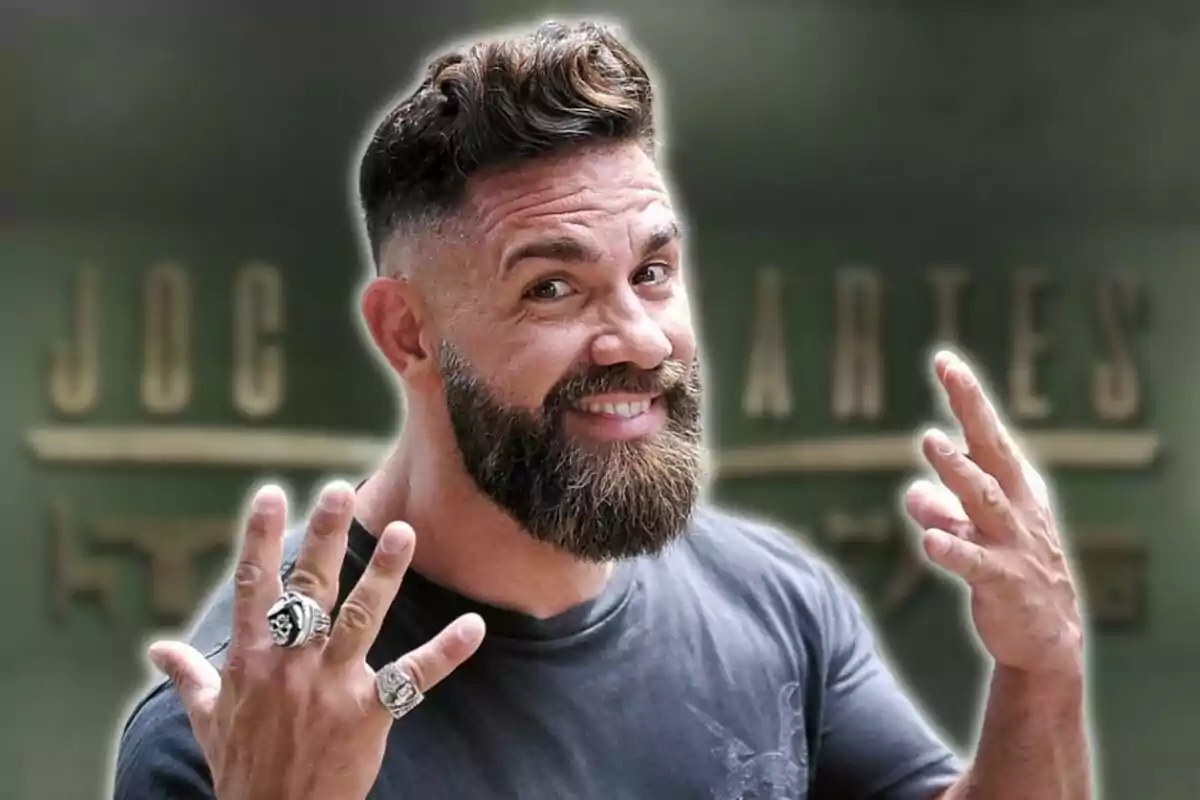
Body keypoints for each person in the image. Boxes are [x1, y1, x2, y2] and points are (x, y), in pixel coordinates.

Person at [112, 20, 1092, 800]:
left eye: (653, 272)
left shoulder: (778, 606)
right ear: (408, 333)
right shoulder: (237, 727)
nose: (639, 337)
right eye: (552, 288)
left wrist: (1041, 667)